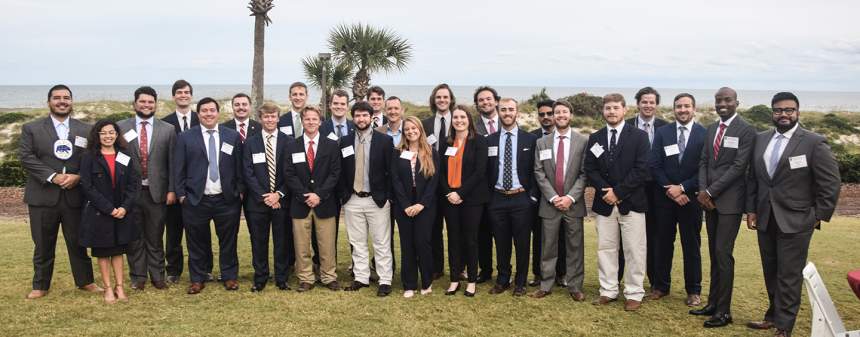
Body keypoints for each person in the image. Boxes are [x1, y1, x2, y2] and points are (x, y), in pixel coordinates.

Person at [745, 92, 841, 337]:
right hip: (766, 217)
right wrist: (752, 209)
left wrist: (818, 216)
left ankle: (784, 326)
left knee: (788, 274)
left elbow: (830, 183)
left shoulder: (813, 142)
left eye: (789, 110)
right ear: (772, 113)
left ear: (798, 112)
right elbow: (754, 178)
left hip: (797, 220)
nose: (783, 114)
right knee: (771, 270)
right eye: (778, 110)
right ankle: (772, 315)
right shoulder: (761, 139)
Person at [20, 84, 101, 299]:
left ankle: (86, 281)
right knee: (43, 243)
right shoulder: (32, 128)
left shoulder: (85, 129)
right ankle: (40, 285)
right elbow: (27, 158)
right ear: (49, 102)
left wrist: (79, 177)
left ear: (72, 101)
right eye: (57, 98)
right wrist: (52, 176)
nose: (62, 101)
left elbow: (92, 159)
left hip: (74, 196)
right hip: (43, 196)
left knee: (78, 242)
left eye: (66, 97)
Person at [691, 87, 757, 328]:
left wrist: (710, 191)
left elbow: (739, 167)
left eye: (727, 100)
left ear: (736, 102)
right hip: (708, 203)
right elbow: (704, 163)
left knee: (723, 254)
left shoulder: (746, 130)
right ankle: (712, 303)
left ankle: (724, 312)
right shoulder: (711, 129)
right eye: (719, 100)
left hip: (729, 203)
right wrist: (701, 192)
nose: (722, 104)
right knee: (713, 254)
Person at [585, 93, 651, 311]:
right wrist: (607, 191)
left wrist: (619, 192)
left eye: (615, 108)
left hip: (631, 202)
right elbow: (590, 169)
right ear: (603, 111)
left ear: (625, 110)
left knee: (634, 249)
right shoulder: (595, 137)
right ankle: (608, 290)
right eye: (607, 108)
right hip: (604, 203)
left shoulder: (639, 137)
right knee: (606, 248)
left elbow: (642, 170)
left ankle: (634, 292)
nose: (611, 112)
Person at [174, 97, 244, 295]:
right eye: (204, 111)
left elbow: (239, 167)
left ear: (218, 113)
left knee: (228, 240)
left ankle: (229, 276)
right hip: (196, 199)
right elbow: (178, 168)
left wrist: (239, 191)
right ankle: (198, 278)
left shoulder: (232, 136)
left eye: (212, 110)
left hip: (226, 199)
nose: (208, 114)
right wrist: (181, 195)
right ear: (198, 114)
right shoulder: (186, 137)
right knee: (196, 241)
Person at [648, 93, 706, 305]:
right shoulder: (663, 132)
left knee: (691, 245)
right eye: (678, 106)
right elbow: (654, 165)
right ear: (674, 109)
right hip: (664, 199)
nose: (682, 110)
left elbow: (704, 169)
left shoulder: (704, 134)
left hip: (691, 200)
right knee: (662, 243)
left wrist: (682, 188)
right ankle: (661, 286)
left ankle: (693, 290)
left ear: (694, 108)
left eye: (686, 106)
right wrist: (670, 190)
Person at [530, 100, 588, 300]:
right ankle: (545, 284)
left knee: (575, 247)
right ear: (553, 116)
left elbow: (584, 173)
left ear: (570, 115)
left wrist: (570, 198)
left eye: (564, 112)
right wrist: (554, 197)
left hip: (573, 204)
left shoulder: (582, 141)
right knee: (548, 247)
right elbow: (539, 172)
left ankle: (575, 286)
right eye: (557, 112)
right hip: (550, 204)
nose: (560, 115)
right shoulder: (541, 143)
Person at [120, 86, 176, 291]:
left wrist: (171, 189)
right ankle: (138, 277)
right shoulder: (121, 127)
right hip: (130, 194)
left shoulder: (167, 129)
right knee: (134, 237)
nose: (146, 105)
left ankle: (158, 276)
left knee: (155, 236)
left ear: (155, 104)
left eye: (150, 102)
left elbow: (172, 163)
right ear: (135, 103)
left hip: (157, 193)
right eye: (142, 102)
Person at [79, 120, 141, 303]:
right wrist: (109, 209)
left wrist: (124, 207)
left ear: (117, 134)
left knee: (118, 251)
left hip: (122, 211)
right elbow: (87, 186)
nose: (108, 136)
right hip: (100, 212)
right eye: (103, 133)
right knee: (103, 252)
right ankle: (107, 288)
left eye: (111, 132)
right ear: (97, 135)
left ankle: (120, 287)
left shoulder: (125, 154)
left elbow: (134, 183)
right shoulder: (89, 157)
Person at [283, 105, 342, 292]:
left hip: (324, 202)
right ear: (302, 121)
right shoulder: (292, 145)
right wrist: (304, 195)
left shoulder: (331, 145)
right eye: (307, 119)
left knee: (326, 244)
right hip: (300, 203)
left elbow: (335, 173)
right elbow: (289, 173)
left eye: (314, 119)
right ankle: (306, 277)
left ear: (320, 121)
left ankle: (328, 276)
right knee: (301, 245)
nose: (310, 122)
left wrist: (319, 194)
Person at [339, 101, 394, 296]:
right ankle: (361, 277)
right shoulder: (344, 141)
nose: (361, 119)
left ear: (371, 117)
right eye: (357, 115)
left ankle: (385, 279)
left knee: (381, 241)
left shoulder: (384, 141)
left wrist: (387, 197)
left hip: (376, 200)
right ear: (353, 118)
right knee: (357, 241)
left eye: (365, 115)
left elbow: (392, 172)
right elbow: (341, 171)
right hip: (352, 199)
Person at [485, 98, 538, 296]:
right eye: (503, 110)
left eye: (511, 109)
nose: (507, 113)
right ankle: (502, 279)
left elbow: (536, 171)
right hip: (497, 198)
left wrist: (532, 197)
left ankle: (521, 282)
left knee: (522, 243)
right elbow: (486, 171)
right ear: (498, 112)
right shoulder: (489, 140)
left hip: (521, 198)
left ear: (517, 112)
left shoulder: (530, 140)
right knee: (501, 242)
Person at [241, 102, 295, 292]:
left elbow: (291, 172)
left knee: (282, 241)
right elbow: (248, 173)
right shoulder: (250, 142)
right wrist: (264, 196)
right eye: (266, 116)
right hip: (258, 202)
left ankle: (281, 278)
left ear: (278, 118)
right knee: (259, 241)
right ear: (261, 118)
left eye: (273, 116)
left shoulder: (289, 142)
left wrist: (278, 194)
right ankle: (260, 278)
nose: (270, 120)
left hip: (281, 201)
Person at [161, 79, 209, 283]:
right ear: (174, 96)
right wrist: (173, 189)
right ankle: (173, 270)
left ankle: (204, 269)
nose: (183, 95)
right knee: (173, 231)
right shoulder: (164, 123)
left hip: (200, 188)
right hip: (175, 187)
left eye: (187, 92)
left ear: (191, 95)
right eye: (179, 92)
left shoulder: (203, 120)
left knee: (201, 232)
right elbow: (166, 160)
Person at [440, 105, 489, 297]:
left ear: (469, 119)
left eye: (462, 117)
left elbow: (479, 172)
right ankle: (454, 280)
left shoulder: (479, 142)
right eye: (455, 117)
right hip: (449, 199)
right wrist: (448, 193)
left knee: (470, 240)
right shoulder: (447, 143)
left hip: (471, 199)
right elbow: (441, 173)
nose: (458, 120)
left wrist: (460, 193)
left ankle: (471, 281)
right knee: (453, 239)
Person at [622, 86, 668, 287]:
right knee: (627, 235)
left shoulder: (666, 128)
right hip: (631, 188)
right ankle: (617, 280)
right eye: (644, 102)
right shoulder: (626, 126)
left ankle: (657, 282)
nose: (648, 105)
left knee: (656, 236)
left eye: (652, 102)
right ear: (637, 104)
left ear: (656, 105)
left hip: (657, 189)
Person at [391, 116, 439, 298]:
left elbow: (434, 181)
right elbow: (395, 180)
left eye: (414, 128)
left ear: (420, 129)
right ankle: (409, 284)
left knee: (423, 243)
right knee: (407, 244)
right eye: (407, 129)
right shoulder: (397, 152)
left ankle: (426, 282)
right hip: (403, 205)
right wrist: (405, 205)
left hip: (425, 205)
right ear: (404, 132)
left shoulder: (431, 152)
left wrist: (421, 204)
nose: (411, 131)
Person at [529, 99, 566, 287]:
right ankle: (538, 273)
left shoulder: (569, 138)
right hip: (539, 197)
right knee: (540, 238)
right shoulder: (533, 138)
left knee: (562, 237)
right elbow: (532, 170)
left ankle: (561, 274)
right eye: (542, 114)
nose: (546, 117)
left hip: (564, 198)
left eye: (549, 114)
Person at [422, 83, 454, 280]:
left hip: (453, 184)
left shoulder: (459, 120)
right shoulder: (425, 124)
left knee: (455, 229)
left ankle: (459, 267)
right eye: (438, 97)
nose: (442, 100)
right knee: (433, 228)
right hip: (432, 183)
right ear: (434, 100)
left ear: (451, 100)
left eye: (445, 97)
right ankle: (436, 267)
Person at [472, 86, 500, 283]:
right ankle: (486, 270)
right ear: (477, 105)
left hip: (504, 188)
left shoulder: (508, 123)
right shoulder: (472, 129)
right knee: (482, 233)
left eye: (488, 99)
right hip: (480, 190)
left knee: (504, 233)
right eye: (481, 100)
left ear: (496, 101)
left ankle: (505, 270)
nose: (485, 103)